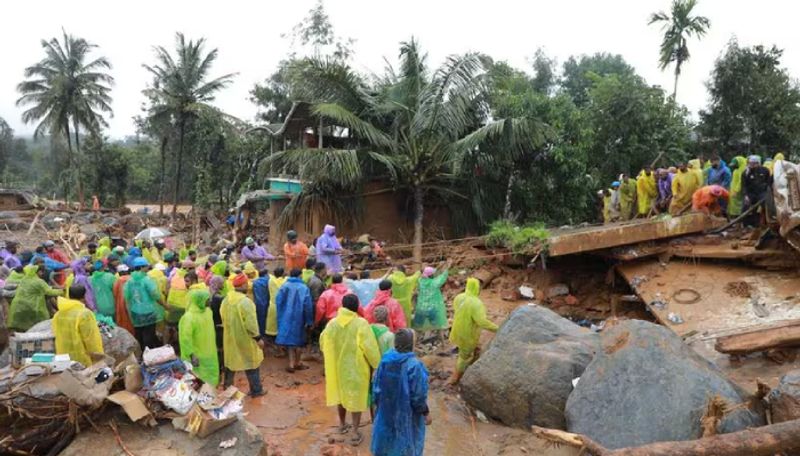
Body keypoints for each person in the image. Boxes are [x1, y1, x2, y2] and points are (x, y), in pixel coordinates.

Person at [320, 294, 381, 446]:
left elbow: (323, 342)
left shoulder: (332, 323)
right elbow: (370, 348)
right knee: (356, 398)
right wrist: (377, 365)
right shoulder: (361, 324)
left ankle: (342, 424)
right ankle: (354, 431)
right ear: (356, 307)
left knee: (341, 396)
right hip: (356, 368)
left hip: (338, 368)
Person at [371, 329, 431, 456]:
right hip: (406, 414)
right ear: (411, 344)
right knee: (406, 442)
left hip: (386, 411)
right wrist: (425, 413)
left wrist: (378, 405)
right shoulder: (414, 365)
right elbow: (418, 396)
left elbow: (376, 387)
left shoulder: (386, 360)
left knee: (386, 442)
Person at [221, 273, 265, 397]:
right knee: (251, 362)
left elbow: (222, 316)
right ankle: (256, 390)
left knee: (230, 363)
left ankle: (227, 390)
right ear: (244, 284)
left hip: (230, 338)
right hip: (245, 339)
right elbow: (251, 324)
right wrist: (258, 338)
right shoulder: (246, 302)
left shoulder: (226, 300)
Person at [448, 278, 498, 385]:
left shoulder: (459, 297)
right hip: (468, 334)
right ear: (477, 288)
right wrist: (497, 328)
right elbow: (482, 322)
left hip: (457, 330)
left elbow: (456, 310)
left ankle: (473, 357)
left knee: (465, 348)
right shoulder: (477, 303)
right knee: (463, 357)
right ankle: (455, 378)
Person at [53, 285, 104, 367]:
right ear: (84, 296)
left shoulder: (58, 314)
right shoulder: (84, 314)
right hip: (81, 359)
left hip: (63, 359)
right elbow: (91, 339)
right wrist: (99, 359)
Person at [276, 268, 314, 372]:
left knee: (290, 342)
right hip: (299, 317)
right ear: (300, 275)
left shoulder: (284, 286)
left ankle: (291, 364)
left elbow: (278, 301)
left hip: (286, 316)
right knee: (300, 340)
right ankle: (298, 362)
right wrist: (309, 320)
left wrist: (281, 314)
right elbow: (308, 305)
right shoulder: (303, 287)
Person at [179, 288, 219, 386]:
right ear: (199, 300)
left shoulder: (208, 311)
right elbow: (185, 339)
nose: (210, 301)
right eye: (207, 299)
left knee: (212, 378)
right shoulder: (188, 317)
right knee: (199, 381)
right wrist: (191, 354)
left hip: (210, 352)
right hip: (197, 356)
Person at [7, 264, 63, 332]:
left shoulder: (24, 279)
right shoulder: (39, 281)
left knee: (20, 329)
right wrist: (63, 291)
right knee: (37, 327)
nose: (42, 273)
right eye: (41, 271)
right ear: (37, 272)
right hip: (31, 306)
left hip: (18, 305)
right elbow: (49, 292)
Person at [124, 258, 163, 350]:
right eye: (146, 266)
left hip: (135, 311)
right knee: (149, 334)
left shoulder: (130, 281)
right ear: (141, 267)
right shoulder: (146, 279)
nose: (147, 268)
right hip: (148, 311)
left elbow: (127, 297)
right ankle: (149, 354)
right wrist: (164, 305)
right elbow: (155, 294)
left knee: (139, 334)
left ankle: (142, 354)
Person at [412, 264, 450, 343]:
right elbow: (442, 277)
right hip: (432, 309)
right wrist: (447, 268)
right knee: (438, 328)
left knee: (418, 329)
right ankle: (443, 345)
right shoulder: (434, 283)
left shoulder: (420, 281)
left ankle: (413, 346)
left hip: (421, 308)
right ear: (431, 275)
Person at [742, 155, 774, 227]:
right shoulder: (745, 173)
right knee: (746, 206)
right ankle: (746, 225)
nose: (751, 165)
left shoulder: (765, 170)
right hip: (751, 193)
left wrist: (767, 193)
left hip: (762, 192)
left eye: (754, 163)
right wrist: (746, 195)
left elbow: (768, 182)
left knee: (766, 205)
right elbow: (744, 185)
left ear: (758, 163)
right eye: (750, 163)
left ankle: (766, 223)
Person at [266, 267, 287, 340]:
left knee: (272, 322)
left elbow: (270, 275)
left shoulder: (271, 281)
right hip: (282, 305)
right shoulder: (285, 281)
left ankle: (271, 336)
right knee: (281, 321)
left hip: (272, 304)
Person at [113, 264, 135, 335]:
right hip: (133, 303)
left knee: (125, 321)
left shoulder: (118, 281)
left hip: (122, 304)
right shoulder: (132, 278)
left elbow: (115, 293)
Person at [252, 269, 270, 338]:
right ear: (265, 274)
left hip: (258, 302)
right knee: (267, 317)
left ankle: (261, 332)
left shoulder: (255, 282)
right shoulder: (268, 281)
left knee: (259, 318)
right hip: (267, 301)